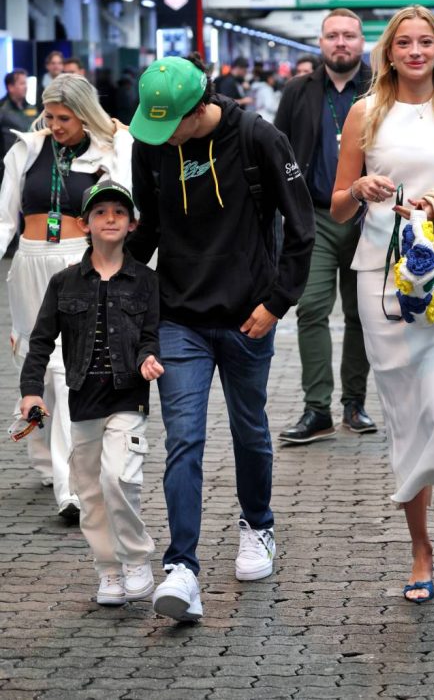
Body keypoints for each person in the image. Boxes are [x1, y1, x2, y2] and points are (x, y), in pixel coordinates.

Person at [127, 54, 314, 622]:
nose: (164, 137)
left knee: (249, 431)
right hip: (178, 317)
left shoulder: (258, 137)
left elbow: (301, 227)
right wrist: (118, 294)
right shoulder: (152, 145)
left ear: (199, 106)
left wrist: (276, 303)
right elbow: (148, 233)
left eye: (172, 125)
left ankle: (258, 525)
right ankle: (182, 568)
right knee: (183, 438)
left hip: (246, 316)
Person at [331, 4, 434, 603]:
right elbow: (338, 206)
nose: (416, 51)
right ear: (390, 51)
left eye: (426, 42)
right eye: (405, 42)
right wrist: (360, 188)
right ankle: (421, 546)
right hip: (381, 280)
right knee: (407, 421)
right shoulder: (364, 113)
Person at [19, 180, 162, 606]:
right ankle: (109, 570)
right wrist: (31, 393)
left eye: (120, 212)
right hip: (82, 402)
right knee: (91, 494)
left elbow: (151, 335)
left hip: (127, 398)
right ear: (84, 224)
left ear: (133, 223)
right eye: (101, 213)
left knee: (119, 478)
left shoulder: (147, 281)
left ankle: (137, 559)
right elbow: (40, 341)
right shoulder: (64, 282)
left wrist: (147, 358)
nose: (111, 219)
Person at [0, 73, 132, 520]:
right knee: (29, 360)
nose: (55, 125)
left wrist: (122, 138)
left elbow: (129, 196)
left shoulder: (106, 151)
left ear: (85, 115)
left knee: (62, 368)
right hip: (29, 263)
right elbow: (5, 217)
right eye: (51, 116)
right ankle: (43, 457)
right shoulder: (27, 148)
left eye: (65, 118)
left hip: (78, 263)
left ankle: (70, 488)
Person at [275, 8, 375, 444]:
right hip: (313, 216)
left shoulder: (379, 87)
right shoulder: (298, 90)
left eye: (349, 36)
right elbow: (277, 149)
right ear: (320, 43)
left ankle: (355, 403)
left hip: (367, 218)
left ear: (361, 42)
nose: (341, 43)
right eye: (332, 35)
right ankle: (317, 409)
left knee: (361, 314)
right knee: (312, 309)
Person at [0, 69, 38, 173]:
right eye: (21, 83)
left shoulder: (31, 107)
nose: (25, 87)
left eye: (26, 83)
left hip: (32, 160)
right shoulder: (2, 109)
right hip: (9, 164)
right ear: (10, 87)